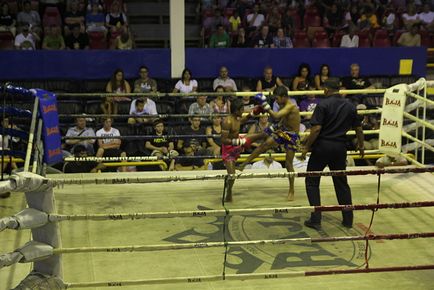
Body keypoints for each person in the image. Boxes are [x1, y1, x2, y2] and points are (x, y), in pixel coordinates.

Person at [300, 79, 365, 230]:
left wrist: (306, 146)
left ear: (326, 89)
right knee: (341, 183)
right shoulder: (349, 105)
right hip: (340, 148)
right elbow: (359, 128)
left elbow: (316, 129)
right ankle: (348, 220)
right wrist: (361, 145)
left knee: (312, 181)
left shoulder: (323, 104)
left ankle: (316, 219)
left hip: (323, 147)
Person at [238, 86, 301, 201]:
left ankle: (291, 189)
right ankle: (244, 164)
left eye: (277, 98)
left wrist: (265, 105)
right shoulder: (282, 104)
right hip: (282, 129)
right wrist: (276, 126)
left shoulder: (290, 106)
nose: (276, 101)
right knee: (264, 144)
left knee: (288, 164)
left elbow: (275, 116)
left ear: (284, 97)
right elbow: (283, 119)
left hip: (291, 136)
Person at [220, 98, 268, 202]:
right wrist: (238, 142)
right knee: (232, 176)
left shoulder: (237, 118)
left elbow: (245, 119)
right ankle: (229, 191)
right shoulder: (227, 121)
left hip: (238, 143)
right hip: (229, 150)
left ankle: (274, 131)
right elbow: (223, 140)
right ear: (236, 110)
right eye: (241, 109)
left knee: (264, 134)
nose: (243, 111)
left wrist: (258, 110)